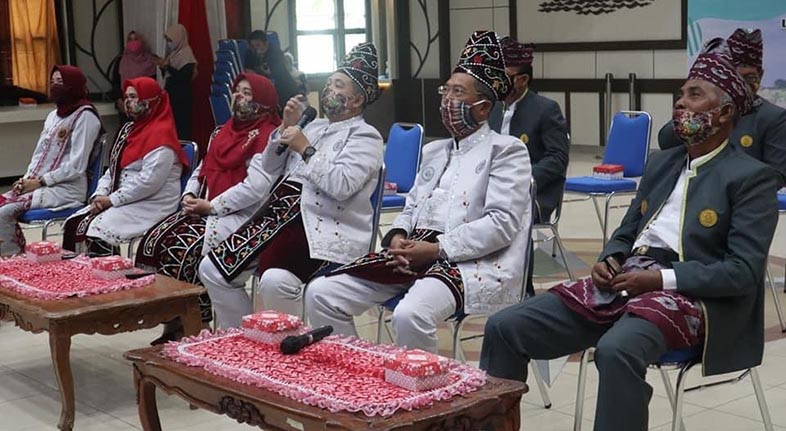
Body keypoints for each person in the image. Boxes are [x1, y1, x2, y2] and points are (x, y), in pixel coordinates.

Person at [480, 38, 779, 431]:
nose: (680, 104)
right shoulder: (662, 162)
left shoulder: (751, 178)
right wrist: (610, 258)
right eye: (680, 95)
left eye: (694, 95)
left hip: (694, 297)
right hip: (628, 279)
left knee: (616, 350)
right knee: (505, 327)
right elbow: (626, 231)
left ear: (724, 112)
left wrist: (660, 279)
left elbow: (742, 272)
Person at [305, 30, 533, 354]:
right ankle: (354, 370)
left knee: (409, 314)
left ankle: (425, 384)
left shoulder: (506, 150)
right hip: (412, 254)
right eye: (446, 90)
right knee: (321, 293)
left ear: (483, 108)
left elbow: (501, 224)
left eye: (458, 92)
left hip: (468, 261)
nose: (447, 100)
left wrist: (437, 250)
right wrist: (397, 235)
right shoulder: (434, 150)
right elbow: (412, 205)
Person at [198, 42, 384, 329]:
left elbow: (342, 185)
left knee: (274, 280)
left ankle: (288, 344)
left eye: (338, 85)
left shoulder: (366, 136)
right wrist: (285, 128)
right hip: (274, 218)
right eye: (329, 83)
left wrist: (306, 149)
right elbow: (270, 167)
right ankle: (244, 338)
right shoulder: (314, 125)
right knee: (211, 268)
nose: (328, 90)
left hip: (318, 224)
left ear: (357, 99)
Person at [136, 73, 281, 343]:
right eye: (237, 91)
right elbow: (201, 169)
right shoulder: (223, 131)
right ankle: (173, 324)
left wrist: (212, 206)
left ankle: (197, 325)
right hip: (207, 208)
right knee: (157, 240)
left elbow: (257, 188)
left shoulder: (268, 136)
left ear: (264, 101)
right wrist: (190, 195)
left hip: (245, 217)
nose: (239, 97)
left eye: (247, 93)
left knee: (185, 249)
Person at [62, 77, 190, 256]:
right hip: (123, 197)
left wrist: (111, 200)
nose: (129, 102)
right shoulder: (129, 130)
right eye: (127, 97)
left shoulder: (162, 136)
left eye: (134, 97)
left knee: (97, 230)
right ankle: (82, 273)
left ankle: (108, 273)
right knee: (73, 224)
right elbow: (113, 169)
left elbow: (149, 182)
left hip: (151, 202)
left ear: (150, 100)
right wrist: (99, 195)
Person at [489, 36, 570, 297]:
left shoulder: (545, 109)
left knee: (510, 211)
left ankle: (522, 290)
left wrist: (521, 179)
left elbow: (557, 158)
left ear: (522, 80)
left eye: (504, 76)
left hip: (533, 194)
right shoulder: (492, 108)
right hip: (492, 189)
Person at [658, 28, 786, 185]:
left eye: (749, 78)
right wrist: (691, 120)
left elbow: (777, 175)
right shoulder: (706, 112)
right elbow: (665, 141)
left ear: (760, 75)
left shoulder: (773, 117)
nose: (742, 85)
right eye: (736, 78)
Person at [0, 66, 101, 256]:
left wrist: (40, 182)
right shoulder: (53, 116)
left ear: (73, 85)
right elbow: (39, 154)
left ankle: (13, 260)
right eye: (52, 82)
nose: (55, 87)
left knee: (3, 212)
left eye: (60, 82)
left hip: (66, 189)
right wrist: (26, 180)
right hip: (39, 185)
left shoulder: (86, 117)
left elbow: (76, 166)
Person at [154, 24, 197, 140]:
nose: (169, 43)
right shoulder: (173, 55)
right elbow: (168, 76)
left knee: (181, 129)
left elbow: (184, 78)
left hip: (181, 98)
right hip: (172, 96)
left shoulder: (187, 55)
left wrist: (168, 67)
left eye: (170, 40)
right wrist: (163, 67)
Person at [244, 30, 300, 108]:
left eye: (258, 45)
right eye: (253, 46)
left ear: (266, 43)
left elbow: (275, 76)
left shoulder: (276, 53)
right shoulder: (250, 53)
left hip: (284, 88)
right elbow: (249, 72)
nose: (256, 49)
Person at [113, 31, 157, 122]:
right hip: (126, 107)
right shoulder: (121, 60)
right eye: (130, 39)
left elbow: (153, 83)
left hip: (144, 107)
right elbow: (116, 82)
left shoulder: (150, 60)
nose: (133, 42)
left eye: (136, 39)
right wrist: (119, 100)